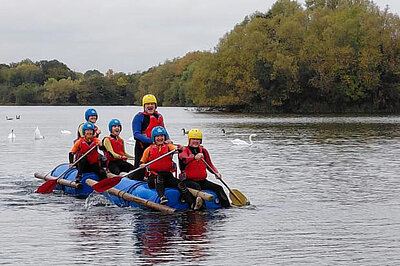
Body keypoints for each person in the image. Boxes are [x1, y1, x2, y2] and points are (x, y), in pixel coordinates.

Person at [139, 126, 193, 206]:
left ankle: (191, 202)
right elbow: (141, 162)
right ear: (154, 138)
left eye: (162, 136)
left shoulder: (169, 147)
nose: (160, 138)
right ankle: (162, 197)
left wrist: (181, 148)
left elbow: (177, 149)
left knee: (180, 184)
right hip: (154, 176)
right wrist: (142, 165)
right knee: (159, 178)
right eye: (157, 136)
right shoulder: (148, 150)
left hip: (167, 176)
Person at [178, 129, 230, 209]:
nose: (195, 141)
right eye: (193, 139)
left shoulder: (204, 151)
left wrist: (216, 173)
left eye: (198, 139)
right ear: (189, 140)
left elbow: (210, 165)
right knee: (196, 187)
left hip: (202, 180)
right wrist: (194, 157)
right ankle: (200, 208)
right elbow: (184, 159)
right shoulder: (184, 151)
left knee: (218, 188)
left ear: (200, 141)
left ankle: (227, 206)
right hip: (187, 180)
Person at [132, 94, 171, 180]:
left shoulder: (159, 116)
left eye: (152, 104)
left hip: (157, 147)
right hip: (142, 147)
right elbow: (136, 134)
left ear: (155, 106)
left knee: (159, 167)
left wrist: (168, 139)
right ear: (144, 106)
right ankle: (135, 179)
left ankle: (159, 180)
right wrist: (151, 140)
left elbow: (163, 130)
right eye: (147, 104)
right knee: (139, 171)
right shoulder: (139, 117)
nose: (150, 106)